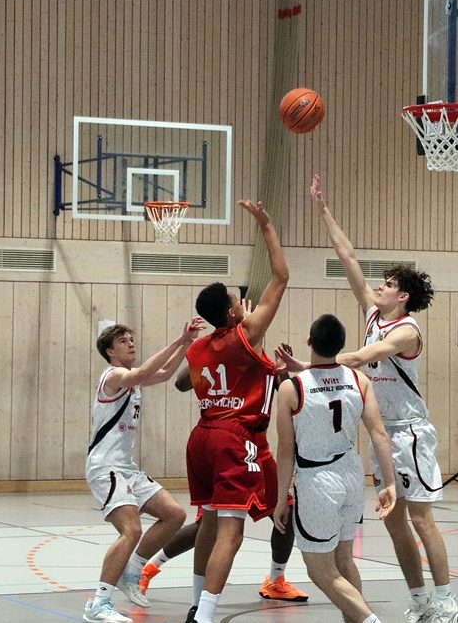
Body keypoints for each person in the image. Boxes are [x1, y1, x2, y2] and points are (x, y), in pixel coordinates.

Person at [307, 174, 458, 623]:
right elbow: (348, 256)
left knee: (421, 521)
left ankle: (447, 602)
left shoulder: (407, 331)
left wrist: (315, 363)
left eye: (388, 283)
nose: (380, 286)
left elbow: (364, 356)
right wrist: (323, 210)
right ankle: (421, 602)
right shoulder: (374, 313)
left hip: (410, 433)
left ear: (403, 295)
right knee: (394, 523)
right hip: (382, 437)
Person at [183, 199, 289, 623]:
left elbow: (191, 382)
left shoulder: (196, 349)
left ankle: (196, 603)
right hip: (233, 439)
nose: (242, 301)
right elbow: (281, 277)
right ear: (231, 313)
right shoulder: (246, 335)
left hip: (202, 437)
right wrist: (266, 225)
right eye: (236, 299)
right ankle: (205, 615)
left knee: (209, 524)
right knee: (232, 533)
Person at [139, 347, 309, 606]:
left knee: (286, 510)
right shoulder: (220, 351)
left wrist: (282, 371)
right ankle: (149, 567)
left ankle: (276, 580)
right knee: (208, 526)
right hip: (226, 447)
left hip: (258, 450)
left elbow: (285, 393)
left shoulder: (263, 360)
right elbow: (181, 383)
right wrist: (204, 356)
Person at [272, 313, 397, 623]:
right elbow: (379, 434)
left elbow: (285, 452)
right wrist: (389, 483)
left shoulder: (292, 388)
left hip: (317, 480)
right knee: (344, 561)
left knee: (320, 570)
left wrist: (281, 498)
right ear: (341, 345)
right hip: (351, 474)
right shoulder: (360, 380)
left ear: (309, 342)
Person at [83, 318, 206, 623]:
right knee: (131, 530)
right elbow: (141, 373)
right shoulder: (113, 376)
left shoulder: (132, 380)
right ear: (110, 351)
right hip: (105, 467)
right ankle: (99, 603)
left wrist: (187, 344)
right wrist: (178, 341)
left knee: (174, 514)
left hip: (126, 468)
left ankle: (132, 570)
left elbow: (164, 374)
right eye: (123, 341)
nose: (131, 343)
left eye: (131, 339)